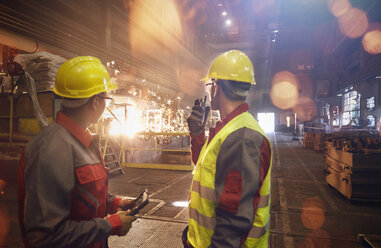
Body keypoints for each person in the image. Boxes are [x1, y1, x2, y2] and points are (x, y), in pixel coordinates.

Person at [18, 56, 137, 248]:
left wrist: (114, 203)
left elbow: (80, 198)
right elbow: (44, 237)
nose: (105, 105)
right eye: (105, 98)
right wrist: (109, 225)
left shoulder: (84, 143)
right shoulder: (51, 149)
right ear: (95, 102)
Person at [184, 50, 273, 248]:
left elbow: (233, 224)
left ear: (216, 87)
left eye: (210, 85)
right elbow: (207, 168)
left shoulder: (242, 137)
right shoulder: (229, 129)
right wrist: (198, 135)